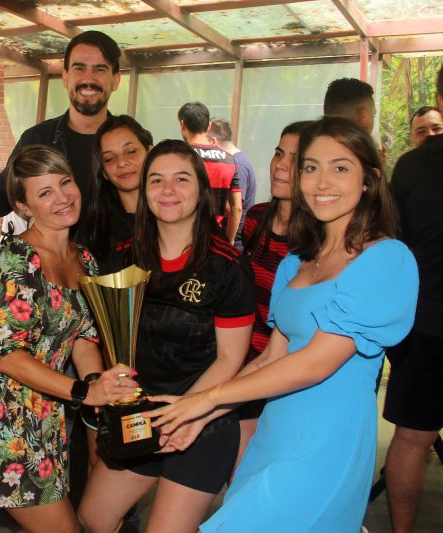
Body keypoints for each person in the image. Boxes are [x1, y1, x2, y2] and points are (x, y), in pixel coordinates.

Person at [149, 117, 419, 532]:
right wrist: (200, 415)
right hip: (274, 433)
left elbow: (314, 364)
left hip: (326, 444)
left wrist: (204, 400)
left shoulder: (386, 259)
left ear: (369, 179)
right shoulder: (296, 262)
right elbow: (270, 357)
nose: (322, 182)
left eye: (340, 167)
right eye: (311, 167)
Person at [0, 145, 137, 533]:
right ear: (24, 206)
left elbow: (82, 338)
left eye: (65, 183)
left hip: (46, 415)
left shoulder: (85, 259)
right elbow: (5, 355)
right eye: (45, 192)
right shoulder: (16, 258)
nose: (62, 197)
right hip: (1, 419)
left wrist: (101, 386)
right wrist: (84, 392)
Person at [78, 140, 255, 533]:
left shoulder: (227, 267)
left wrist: (184, 413)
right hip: (140, 417)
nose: (168, 190)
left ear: (202, 190)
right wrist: (108, 381)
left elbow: (230, 359)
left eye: (181, 179)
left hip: (201, 421)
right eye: (156, 180)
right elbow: (105, 338)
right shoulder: (123, 257)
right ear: (144, 191)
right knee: (94, 516)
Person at [383, 67, 443, 533]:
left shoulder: (412, 166)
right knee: (411, 440)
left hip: (423, 323)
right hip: (423, 322)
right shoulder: (411, 165)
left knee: (411, 439)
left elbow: (391, 243)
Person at [234, 120, 312, 470]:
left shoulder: (316, 239)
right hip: (244, 362)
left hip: (285, 373)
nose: (281, 165)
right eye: (279, 153)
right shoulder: (256, 218)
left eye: (296, 159)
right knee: (240, 470)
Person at [0, 30, 121, 219]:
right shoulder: (37, 140)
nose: (88, 79)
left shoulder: (131, 144)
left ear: (115, 80)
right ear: (65, 77)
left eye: (100, 69)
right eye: (79, 68)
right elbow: (1, 196)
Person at [78, 114, 153, 268]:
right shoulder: (94, 229)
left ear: (150, 152)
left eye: (131, 151)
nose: (122, 162)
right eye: (109, 159)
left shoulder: (175, 212)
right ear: (103, 171)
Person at [178, 102, 241, 245]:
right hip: (214, 238)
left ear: (182, 125)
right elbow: (236, 208)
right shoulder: (229, 159)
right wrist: (229, 240)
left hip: (183, 237)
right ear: (209, 126)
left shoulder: (181, 156)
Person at [209, 118, 256, 250]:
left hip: (231, 243)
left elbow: (233, 208)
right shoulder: (236, 161)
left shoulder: (237, 164)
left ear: (213, 141)